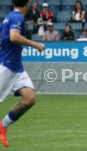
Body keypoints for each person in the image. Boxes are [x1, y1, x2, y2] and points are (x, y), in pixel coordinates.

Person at [0, 0, 45, 147]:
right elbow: (14, 37)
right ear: (27, 3)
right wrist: (36, 44)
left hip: (16, 67)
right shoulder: (17, 17)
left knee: (29, 98)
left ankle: (3, 126)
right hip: (6, 66)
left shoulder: (9, 16)